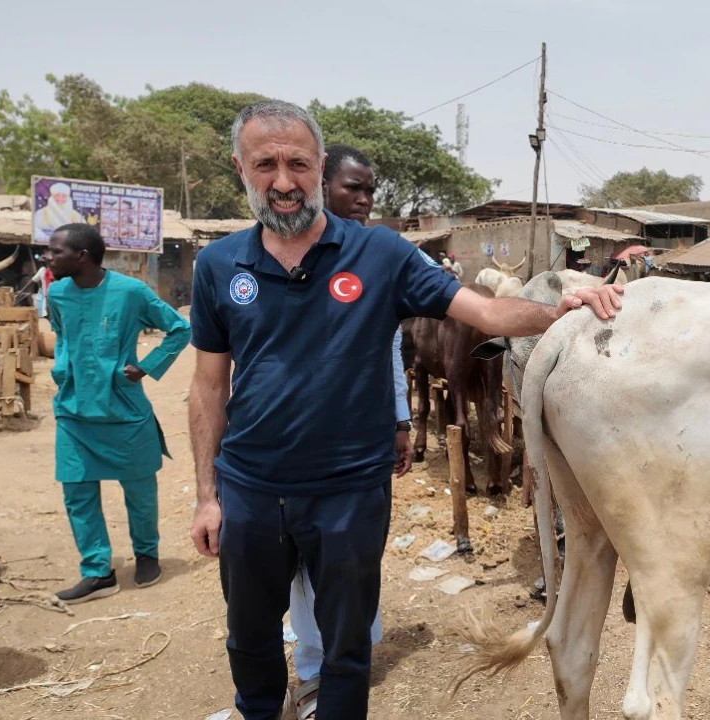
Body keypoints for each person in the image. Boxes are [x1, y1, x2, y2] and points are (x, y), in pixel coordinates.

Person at [187, 99, 621, 720]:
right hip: (251, 487)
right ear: (240, 168)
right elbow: (207, 386)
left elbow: (489, 314)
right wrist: (208, 494)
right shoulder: (218, 264)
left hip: (349, 490)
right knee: (249, 637)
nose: (283, 182)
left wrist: (565, 306)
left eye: (298, 164)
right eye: (265, 164)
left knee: (346, 646)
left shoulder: (381, 256)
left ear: (317, 166)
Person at [284, 143, 410, 719]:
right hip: (291, 439)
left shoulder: (378, 252)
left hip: (361, 439)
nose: (362, 200)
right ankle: (312, 668)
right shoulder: (280, 249)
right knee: (302, 564)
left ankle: (347, 651)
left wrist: (400, 418)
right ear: (320, 186)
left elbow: (391, 344)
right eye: (351, 188)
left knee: (354, 556)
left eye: (369, 190)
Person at [45, 223, 191, 603]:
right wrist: (64, 370)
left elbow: (178, 329)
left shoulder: (131, 292)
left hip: (123, 412)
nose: (47, 257)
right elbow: (63, 335)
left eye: (54, 251)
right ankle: (97, 572)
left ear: (82, 256)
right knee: (77, 493)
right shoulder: (56, 293)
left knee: (140, 492)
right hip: (73, 413)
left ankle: (147, 553)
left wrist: (146, 366)